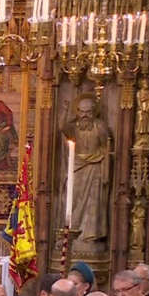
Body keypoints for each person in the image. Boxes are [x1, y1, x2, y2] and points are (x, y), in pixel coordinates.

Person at [60, 95, 111, 242]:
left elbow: (106, 147)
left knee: (93, 202)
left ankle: (90, 235)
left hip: (95, 166)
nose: (85, 116)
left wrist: (105, 169)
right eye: (82, 112)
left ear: (94, 112)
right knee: (73, 198)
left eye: (88, 112)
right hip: (76, 166)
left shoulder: (99, 126)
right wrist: (64, 111)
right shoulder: (74, 126)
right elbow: (62, 128)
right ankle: (73, 232)